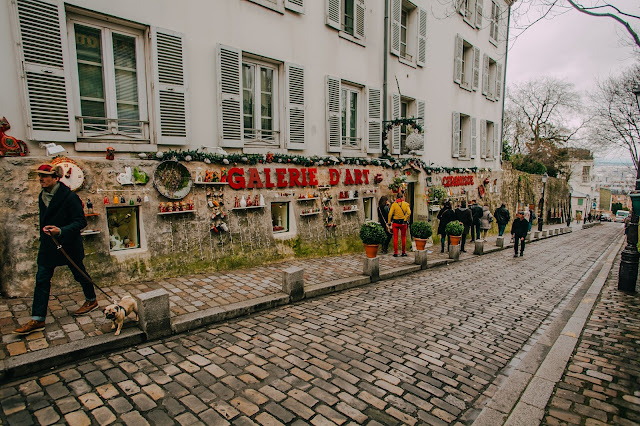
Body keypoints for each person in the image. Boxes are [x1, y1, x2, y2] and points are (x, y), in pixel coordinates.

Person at [13, 164, 98, 335]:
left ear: (55, 178)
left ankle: (91, 300)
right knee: (42, 279)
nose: (41, 179)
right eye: (40, 176)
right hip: (48, 245)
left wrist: (61, 230)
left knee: (79, 273)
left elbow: (80, 222)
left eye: (45, 176)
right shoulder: (42, 196)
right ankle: (38, 318)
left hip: (68, 245)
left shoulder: (69, 197)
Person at [388, 192, 411, 257]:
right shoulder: (406, 204)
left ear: (397, 198)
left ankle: (396, 253)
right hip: (403, 223)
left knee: (395, 237)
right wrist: (405, 219)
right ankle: (403, 252)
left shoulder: (394, 204)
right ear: (402, 197)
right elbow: (409, 213)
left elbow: (390, 214)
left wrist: (389, 222)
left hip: (395, 222)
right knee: (403, 238)